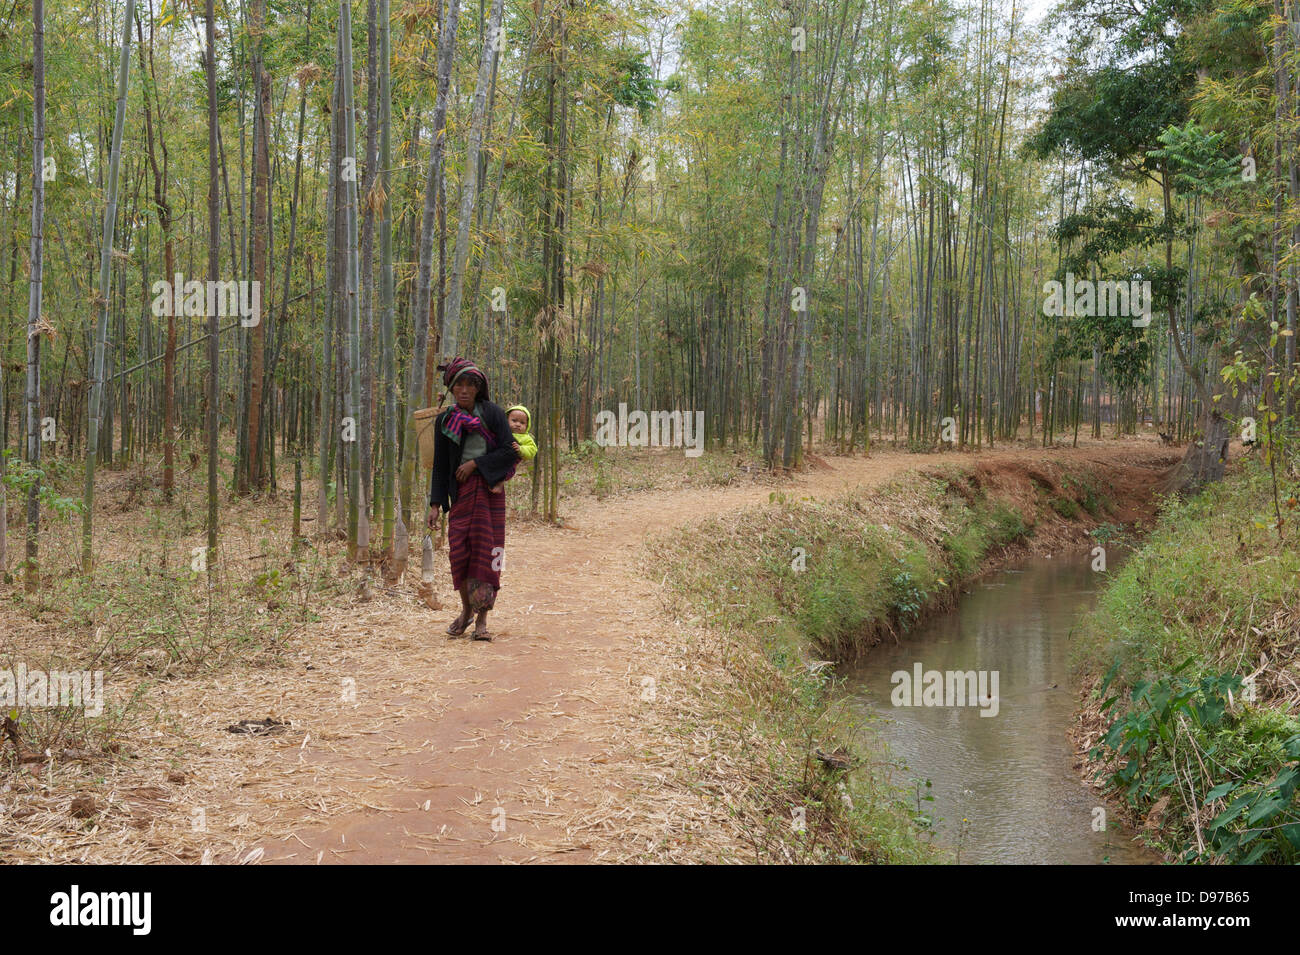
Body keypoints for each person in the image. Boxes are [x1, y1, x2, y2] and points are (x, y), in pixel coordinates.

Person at [428, 359, 519, 641]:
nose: (464, 390)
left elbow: (510, 451)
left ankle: (482, 620)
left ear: (479, 388)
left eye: (470, 385)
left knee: (488, 554)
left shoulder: (492, 414)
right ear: (452, 388)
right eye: (459, 385)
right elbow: (441, 464)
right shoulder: (445, 420)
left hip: (490, 493)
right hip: (461, 495)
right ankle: (466, 611)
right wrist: (434, 504)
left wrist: (476, 464)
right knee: (461, 554)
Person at [490, 404, 537, 492]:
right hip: (496, 458)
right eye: (514, 421)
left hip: (509, 465)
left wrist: (521, 449)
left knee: (503, 472)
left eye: (522, 423)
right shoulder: (501, 431)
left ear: (527, 426)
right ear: (506, 420)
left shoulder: (526, 438)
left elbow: (532, 450)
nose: (518, 424)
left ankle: (500, 484)